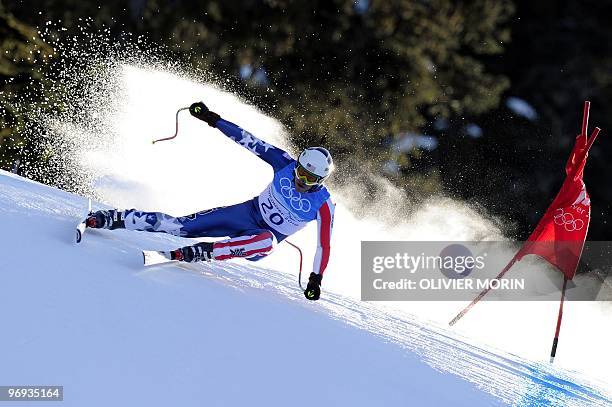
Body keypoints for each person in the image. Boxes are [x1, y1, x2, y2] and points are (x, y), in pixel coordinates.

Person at [86, 102, 335, 301]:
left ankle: (204, 252)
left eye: (309, 178)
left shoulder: (323, 206)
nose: (300, 180)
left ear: (320, 181)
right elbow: (249, 140)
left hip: (258, 240)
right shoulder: (284, 163)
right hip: (243, 214)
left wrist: (316, 279)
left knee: (268, 242)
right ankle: (114, 218)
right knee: (180, 226)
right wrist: (213, 120)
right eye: (300, 171)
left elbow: (323, 246)